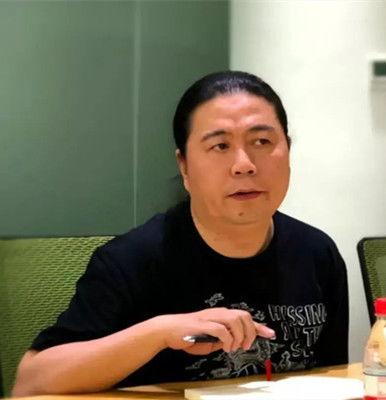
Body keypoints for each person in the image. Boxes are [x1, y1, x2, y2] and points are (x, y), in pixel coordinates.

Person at [12, 71, 348, 396]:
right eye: (220, 146)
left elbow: (333, 380)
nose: (244, 164)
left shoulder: (317, 252)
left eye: (262, 141)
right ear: (184, 166)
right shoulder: (132, 260)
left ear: (288, 150)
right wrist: (159, 332)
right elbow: (30, 381)